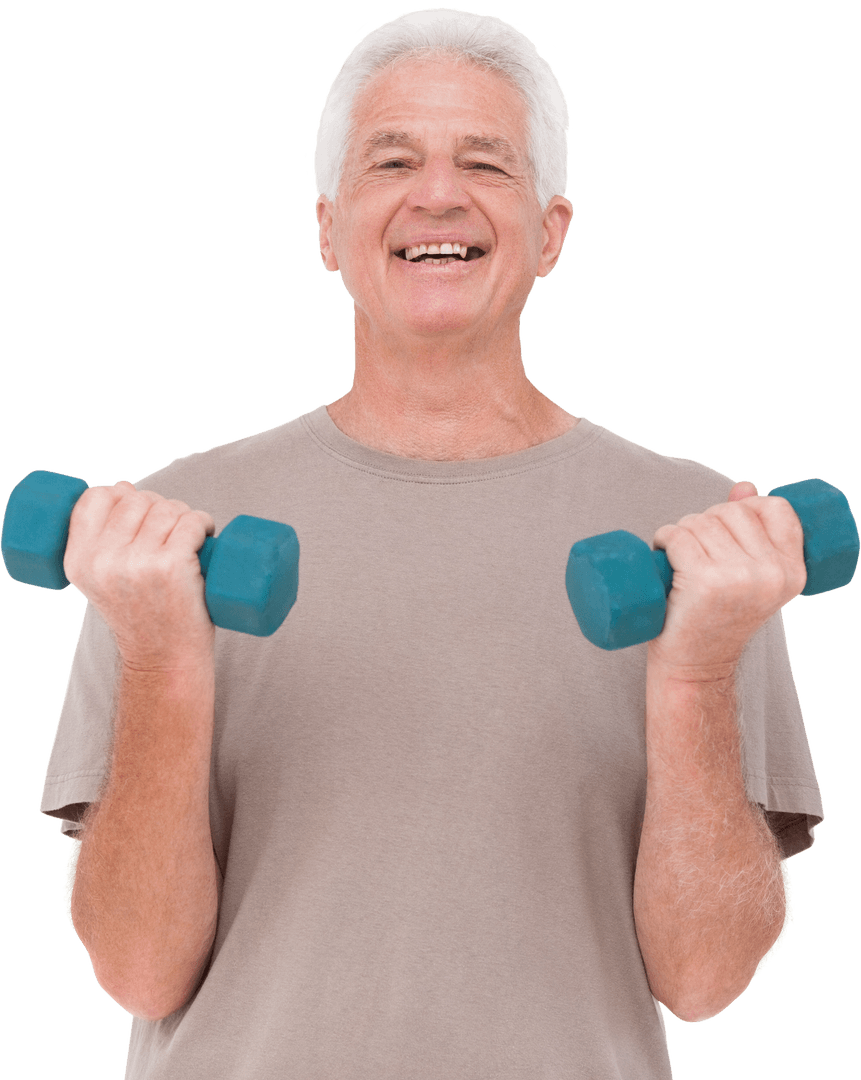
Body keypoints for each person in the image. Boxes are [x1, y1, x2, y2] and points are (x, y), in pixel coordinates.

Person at [41, 10, 824, 1078]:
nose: (439, 195)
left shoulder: (705, 546)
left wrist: (695, 669)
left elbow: (704, 980)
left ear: (551, 232)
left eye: (485, 163)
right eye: (393, 161)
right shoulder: (165, 533)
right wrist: (161, 653)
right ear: (328, 229)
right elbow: (138, 970)